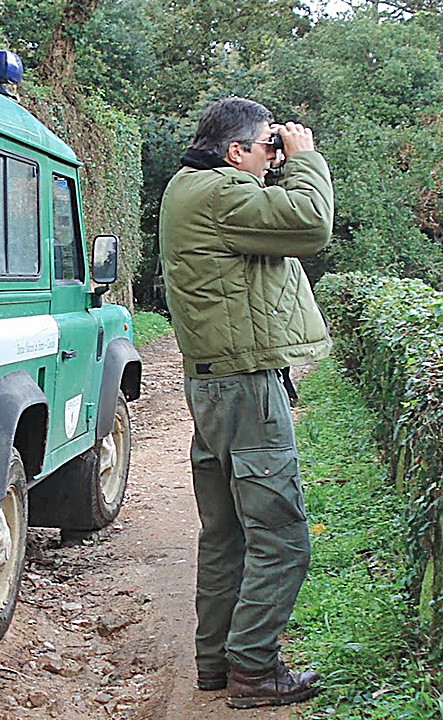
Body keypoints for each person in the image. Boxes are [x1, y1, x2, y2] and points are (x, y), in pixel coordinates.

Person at [158, 96, 333, 709]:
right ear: (235, 151)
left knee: (226, 534)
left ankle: (216, 664)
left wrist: (278, 164)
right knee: (281, 536)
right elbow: (310, 223)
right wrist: (305, 159)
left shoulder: (191, 189)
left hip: (215, 384)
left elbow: (274, 220)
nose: (272, 157)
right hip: (244, 387)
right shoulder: (222, 194)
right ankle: (254, 670)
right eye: (266, 147)